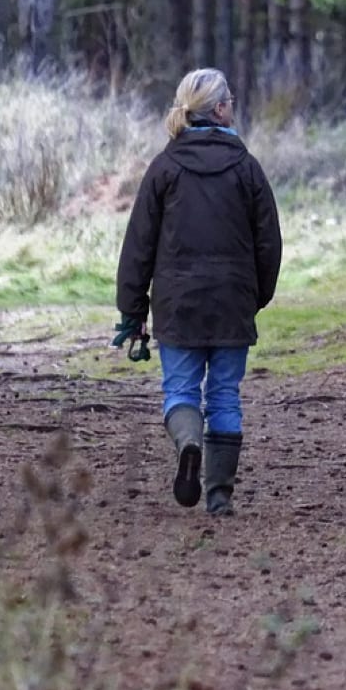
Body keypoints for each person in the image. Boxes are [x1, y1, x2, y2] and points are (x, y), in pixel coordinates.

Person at [114, 68, 282, 516]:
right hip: (232, 301)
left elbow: (138, 245)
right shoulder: (246, 167)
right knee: (225, 395)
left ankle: (188, 443)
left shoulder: (165, 167)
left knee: (181, 392)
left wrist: (132, 311)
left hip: (177, 303)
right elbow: (269, 241)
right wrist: (257, 296)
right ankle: (219, 493)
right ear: (222, 109)